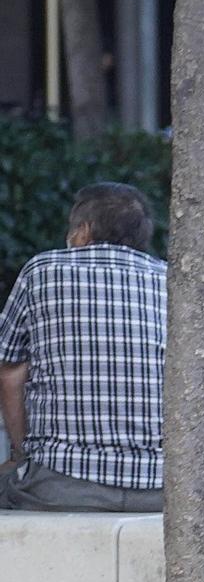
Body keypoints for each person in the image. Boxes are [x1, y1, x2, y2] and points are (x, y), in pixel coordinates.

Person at [0, 183, 166, 513]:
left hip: (61, 483)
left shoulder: (42, 271)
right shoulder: (170, 281)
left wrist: (20, 456)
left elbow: (9, 370)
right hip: (160, 487)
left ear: (84, 230)